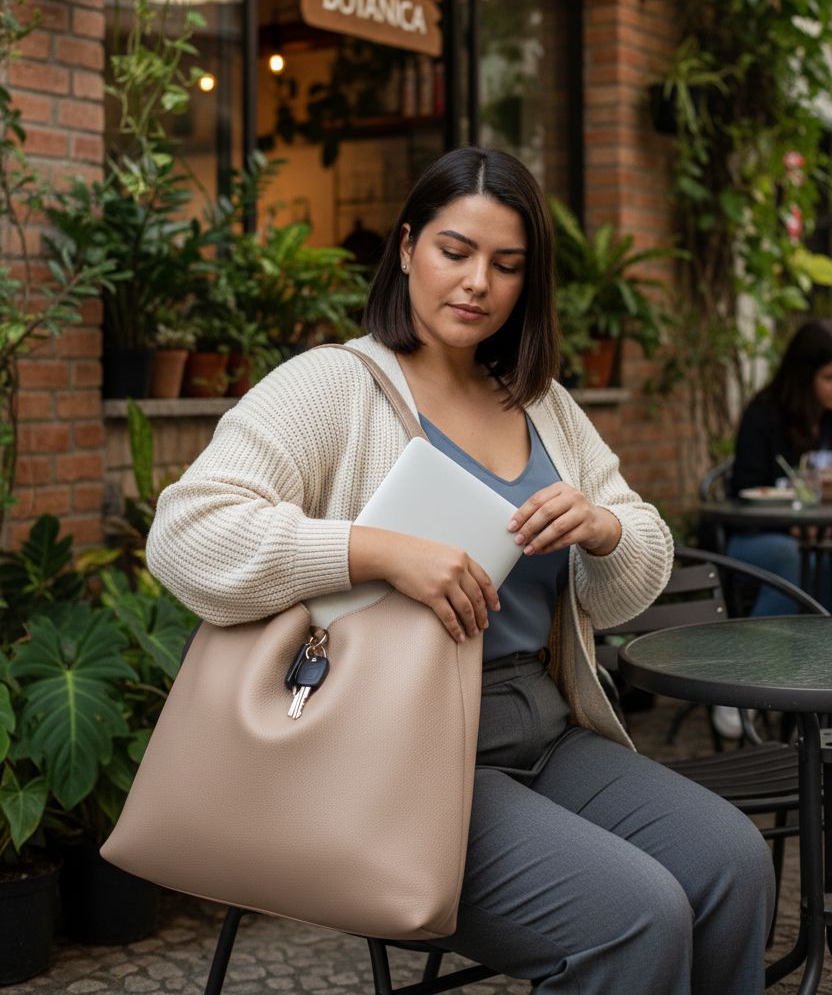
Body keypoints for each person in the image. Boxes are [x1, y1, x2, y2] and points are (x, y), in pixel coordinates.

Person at [147, 147, 774, 995]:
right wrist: (372, 552)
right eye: (455, 251)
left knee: (734, 861)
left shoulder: (541, 402)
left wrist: (602, 530)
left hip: (541, 731)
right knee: (635, 915)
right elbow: (186, 533)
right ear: (407, 248)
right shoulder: (333, 387)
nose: (478, 282)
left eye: (507, 265)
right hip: (393, 755)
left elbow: (638, 563)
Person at [728, 318, 832, 617]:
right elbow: (742, 494)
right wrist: (794, 527)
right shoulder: (764, 417)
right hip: (756, 537)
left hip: (819, 537)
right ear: (803, 376)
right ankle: (761, 660)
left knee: (821, 559)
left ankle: (818, 656)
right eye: (828, 378)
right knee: (794, 558)